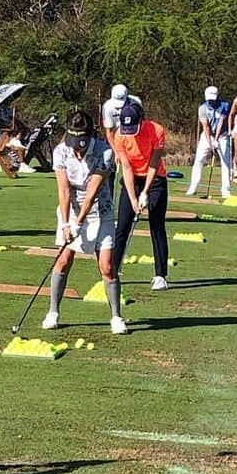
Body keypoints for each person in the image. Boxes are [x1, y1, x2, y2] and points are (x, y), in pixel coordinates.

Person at [43, 110, 128, 335]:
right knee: (62, 261)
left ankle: (116, 317)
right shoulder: (61, 151)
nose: (77, 149)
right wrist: (66, 223)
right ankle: (53, 311)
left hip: (101, 211)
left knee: (107, 266)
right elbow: (63, 189)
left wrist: (79, 222)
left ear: (90, 136)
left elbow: (93, 192)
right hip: (70, 210)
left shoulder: (105, 152)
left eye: (81, 143)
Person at [114, 97, 170, 291]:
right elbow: (126, 169)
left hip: (155, 179)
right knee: (122, 226)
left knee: (156, 225)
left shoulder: (156, 130)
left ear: (142, 120)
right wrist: (133, 199)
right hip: (132, 180)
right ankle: (112, 272)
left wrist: (145, 192)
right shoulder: (119, 136)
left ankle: (160, 275)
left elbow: (155, 162)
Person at [186, 86, 232, 197]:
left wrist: (216, 140)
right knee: (199, 159)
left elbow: (221, 123)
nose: (211, 101)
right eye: (209, 99)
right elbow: (206, 127)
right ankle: (193, 186)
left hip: (222, 136)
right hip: (207, 136)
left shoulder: (225, 105)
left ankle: (225, 190)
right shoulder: (202, 108)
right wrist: (211, 143)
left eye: (213, 99)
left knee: (226, 162)